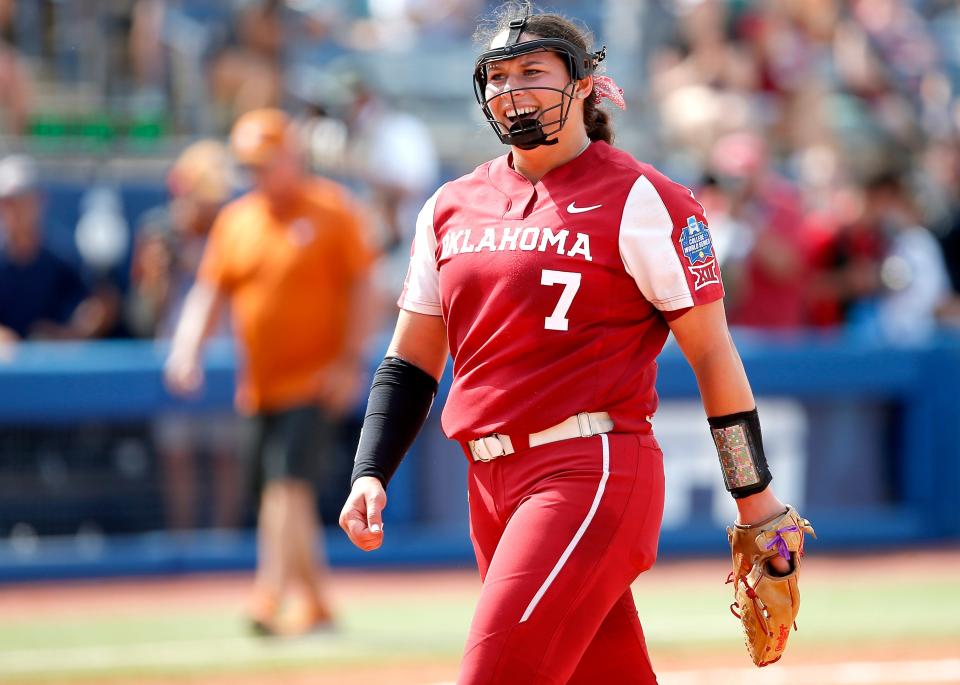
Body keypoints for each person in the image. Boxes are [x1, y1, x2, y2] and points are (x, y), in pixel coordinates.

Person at [340, 5, 795, 683]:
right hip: (489, 482)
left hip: (590, 470)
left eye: (532, 70)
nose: (511, 88)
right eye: (497, 75)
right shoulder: (450, 205)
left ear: (583, 82)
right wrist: (370, 468)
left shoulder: (645, 199)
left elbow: (711, 354)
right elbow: (409, 361)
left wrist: (754, 495)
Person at [165, 109, 375, 636]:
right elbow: (211, 290)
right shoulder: (238, 220)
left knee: (287, 486)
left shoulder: (333, 209)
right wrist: (186, 349)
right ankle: (317, 603)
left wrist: (349, 362)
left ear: (291, 155)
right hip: (258, 385)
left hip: (314, 379)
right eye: (248, 164)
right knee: (282, 492)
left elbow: (363, 289)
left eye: (264, 161)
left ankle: (269, 592)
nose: (255, 172)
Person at [128, 140, 244, 532]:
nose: (209, 205)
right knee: (177, 456)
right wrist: (160, 274)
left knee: (226, 454)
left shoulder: (236, 229)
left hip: (228, 353)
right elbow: (141, 316)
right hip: (175, 354)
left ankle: (224, 542)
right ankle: (184, 541)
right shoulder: (158, 231)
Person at [0, 154, 116, 345]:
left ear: (40, 200)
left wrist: (70, 334)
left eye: (21, 199)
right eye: (6, 201)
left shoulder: (65, 257)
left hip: (57, 373)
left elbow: (103, 303)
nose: (14, 209)